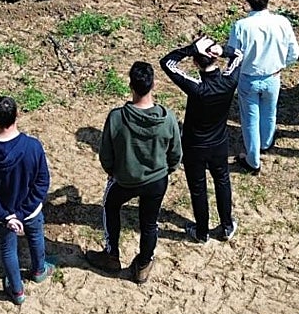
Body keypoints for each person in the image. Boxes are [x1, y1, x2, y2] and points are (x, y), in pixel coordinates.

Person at [86, 62, 182, 283]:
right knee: (149, 223)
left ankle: (111, 255)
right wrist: (164, 171)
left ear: (131, 85)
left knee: (110, 206)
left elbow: (106, 156)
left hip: (124, 180)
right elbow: (176, 154)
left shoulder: (117, 117)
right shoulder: (167, 118)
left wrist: (113, 172)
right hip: (157, 180)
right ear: (153, 85)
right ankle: (143, 265)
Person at [159, 37, 241, 244]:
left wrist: (190, 49)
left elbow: (167, 62)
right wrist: (224, 50)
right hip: (219, 144)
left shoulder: (196, 88)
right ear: (215, 59)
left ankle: (201, 232)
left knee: (198, 188)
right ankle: (226, 226)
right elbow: (238, 55)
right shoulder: (228, 81)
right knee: (222, 181)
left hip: (195, 146)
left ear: (195, 63)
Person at [0, 96, 54, 306]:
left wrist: (7, 216)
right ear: (17, 115)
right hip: (31, 212)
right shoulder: (33, 146)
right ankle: (39, 270)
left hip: (4, 217)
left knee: (8, 249)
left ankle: (17, 290)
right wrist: (22, 213)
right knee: (36, 237)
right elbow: (42, 181)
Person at [227, 0, 299, 174]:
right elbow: (294, 52)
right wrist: (282, 65)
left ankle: (253, 160)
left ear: (248, 0)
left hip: (248, 78)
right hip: (273, 77)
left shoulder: (241, 26)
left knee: (250, 118)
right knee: (269, 112)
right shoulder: (282, 22)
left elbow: (234, 54)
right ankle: (266, 143)